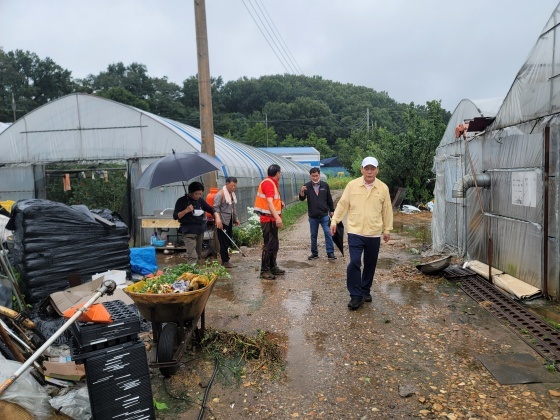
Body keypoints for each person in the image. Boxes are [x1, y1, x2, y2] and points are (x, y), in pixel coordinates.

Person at [330, 157, 393, 310]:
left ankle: (365, 291)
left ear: (377, 170)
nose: (369, 171)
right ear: (361, 169)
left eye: (372, 168)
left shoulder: (383, 188)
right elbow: (343, 203)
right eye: (367, 168)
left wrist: (387, 229)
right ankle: (355, 295)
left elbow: (387, 210)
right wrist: (335, 220)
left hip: (373, 233)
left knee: (370, 264)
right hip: (355, 231)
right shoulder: (352, 185)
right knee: (355, 262)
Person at [173, 181, 222, 265]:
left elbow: (210, 209)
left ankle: (197, 273)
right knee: (192, 256)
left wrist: (217, 217)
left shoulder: (200, 200)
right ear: (190, 192)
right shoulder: (181, 201)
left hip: (199, 231)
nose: (198, 196)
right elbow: (175, 216)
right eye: (196, 194)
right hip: (188, 232)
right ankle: (191, 273)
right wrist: (186, 210)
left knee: (199, 254)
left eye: (200, 194)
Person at [254, 164, 285, 280]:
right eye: (280, 173)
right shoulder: (268, 183)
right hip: (268, 219)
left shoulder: (271, 183)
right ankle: (264, 270)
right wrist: (277, 217)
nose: (280, 175)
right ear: (277, 173)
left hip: (271, 218)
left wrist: (280, 204)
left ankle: (272, 266)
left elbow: (272, 201)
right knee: (269, 245)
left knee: (274, 244)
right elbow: (269, 202)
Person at [299, 167, 336, 261]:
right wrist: (302, 191)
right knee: (313, 235)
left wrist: (332, 211)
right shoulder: (307, 186)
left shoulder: (325, 185)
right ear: (310, 176)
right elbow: (302, 199)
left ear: (319, 175)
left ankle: (330, 253)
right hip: (313, 216)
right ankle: (314, 253)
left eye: (316, 175)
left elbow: (329, 199)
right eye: (313, 176)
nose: (315, 178)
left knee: (328, 233)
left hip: (324, 215)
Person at [213, 177, 240, 269]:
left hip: (229, 220)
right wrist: (218, 220)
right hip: (222, 221)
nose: (233, 188)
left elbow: (233, 208)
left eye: (235, 186)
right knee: (223, 241)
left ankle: (225, 259)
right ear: (226, 184)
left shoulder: (231, 194)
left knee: (228, 240)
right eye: (232, 186)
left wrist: (236, 219)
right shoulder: (220, 194)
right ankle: (225, 261)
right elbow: (215, 208)